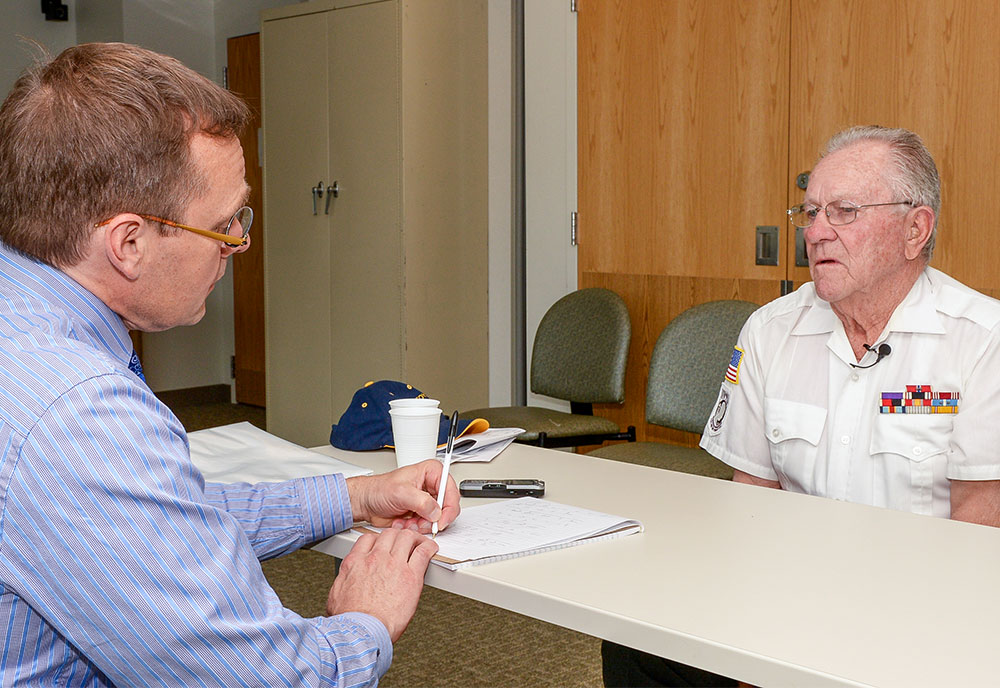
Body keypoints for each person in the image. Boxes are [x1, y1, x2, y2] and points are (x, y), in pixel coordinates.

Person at [0, 42, 459, 687]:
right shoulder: (75, 411)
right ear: (128, 242)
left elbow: (148, 522)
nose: (240, 245)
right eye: (225, 226)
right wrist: (366, 622)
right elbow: (265, 679)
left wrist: (353, 496)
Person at [603, 125, 1000, 686]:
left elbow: (980, 527)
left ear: (916, 229)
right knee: (636, 635)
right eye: (810, 212)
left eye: (844, 211)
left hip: (920, 612)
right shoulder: (770, 331)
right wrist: (751, 640)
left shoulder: (982, 340)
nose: (816, 233)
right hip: (794, 597)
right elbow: (752, 497)